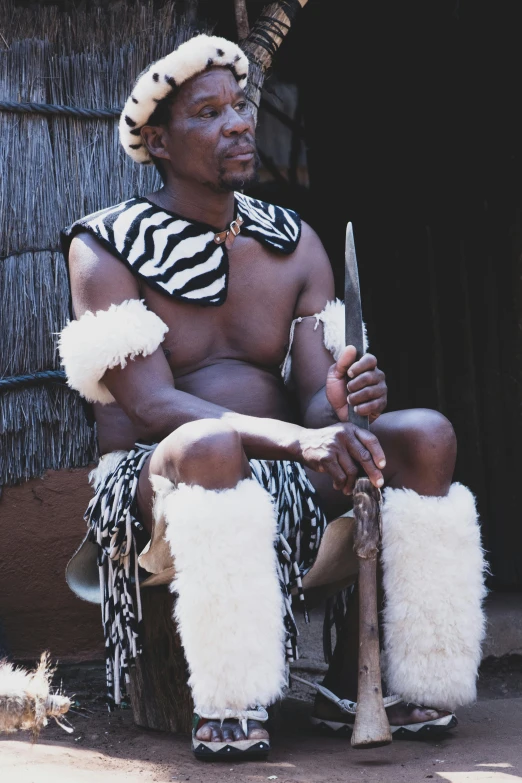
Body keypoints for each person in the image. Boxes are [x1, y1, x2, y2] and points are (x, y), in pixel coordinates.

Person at [58, 32, 486, 760]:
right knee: (211, 443)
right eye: (209, 113)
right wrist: (300, 440)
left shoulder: (294, 242)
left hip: (291, 468)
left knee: (427, 434)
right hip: (156, 478)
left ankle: (397, 678)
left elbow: (319, 413)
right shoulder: (105, 247)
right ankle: (232, 696)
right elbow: (154, 408)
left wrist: (344, 404)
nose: (237, 124)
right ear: (157, 142)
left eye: (241, 108)